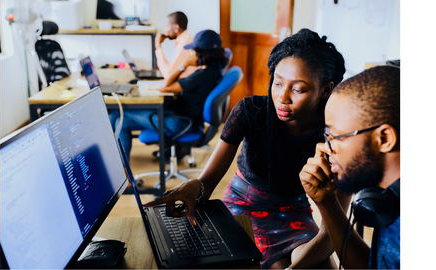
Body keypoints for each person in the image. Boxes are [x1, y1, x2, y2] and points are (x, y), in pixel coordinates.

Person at [144, 28, 350, 269]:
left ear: (325, 90)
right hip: (242, 207)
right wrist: (195, 187)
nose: (282, 97)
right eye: (278, 82)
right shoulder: (250, 112)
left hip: (293, 214)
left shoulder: (337, 138)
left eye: (298, 89)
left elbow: (331, 235)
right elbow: (207, 182)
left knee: (322, 266)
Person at [299, 65, 400, 269]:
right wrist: (326, 202)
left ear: (384, 138)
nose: (324, 147)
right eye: (327, 135)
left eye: (336, 136)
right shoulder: (387, 198)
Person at [110, 30, 228, 159]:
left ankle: (115, 164)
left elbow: (164, 86)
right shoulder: (214, 71)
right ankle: (124, 170)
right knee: (121, 122)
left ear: (202, 52)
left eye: (194, 50)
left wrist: (184, 64)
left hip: (180, 122)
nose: (191, 53)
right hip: (186, 119)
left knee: (117, 114)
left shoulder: (201, 76)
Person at [155, 11, 198, 80]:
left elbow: (168, 74)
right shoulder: (185, 39)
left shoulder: (185, 43)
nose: (165, 30)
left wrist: (158, 46)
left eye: (167, 26)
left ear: (176, 28)